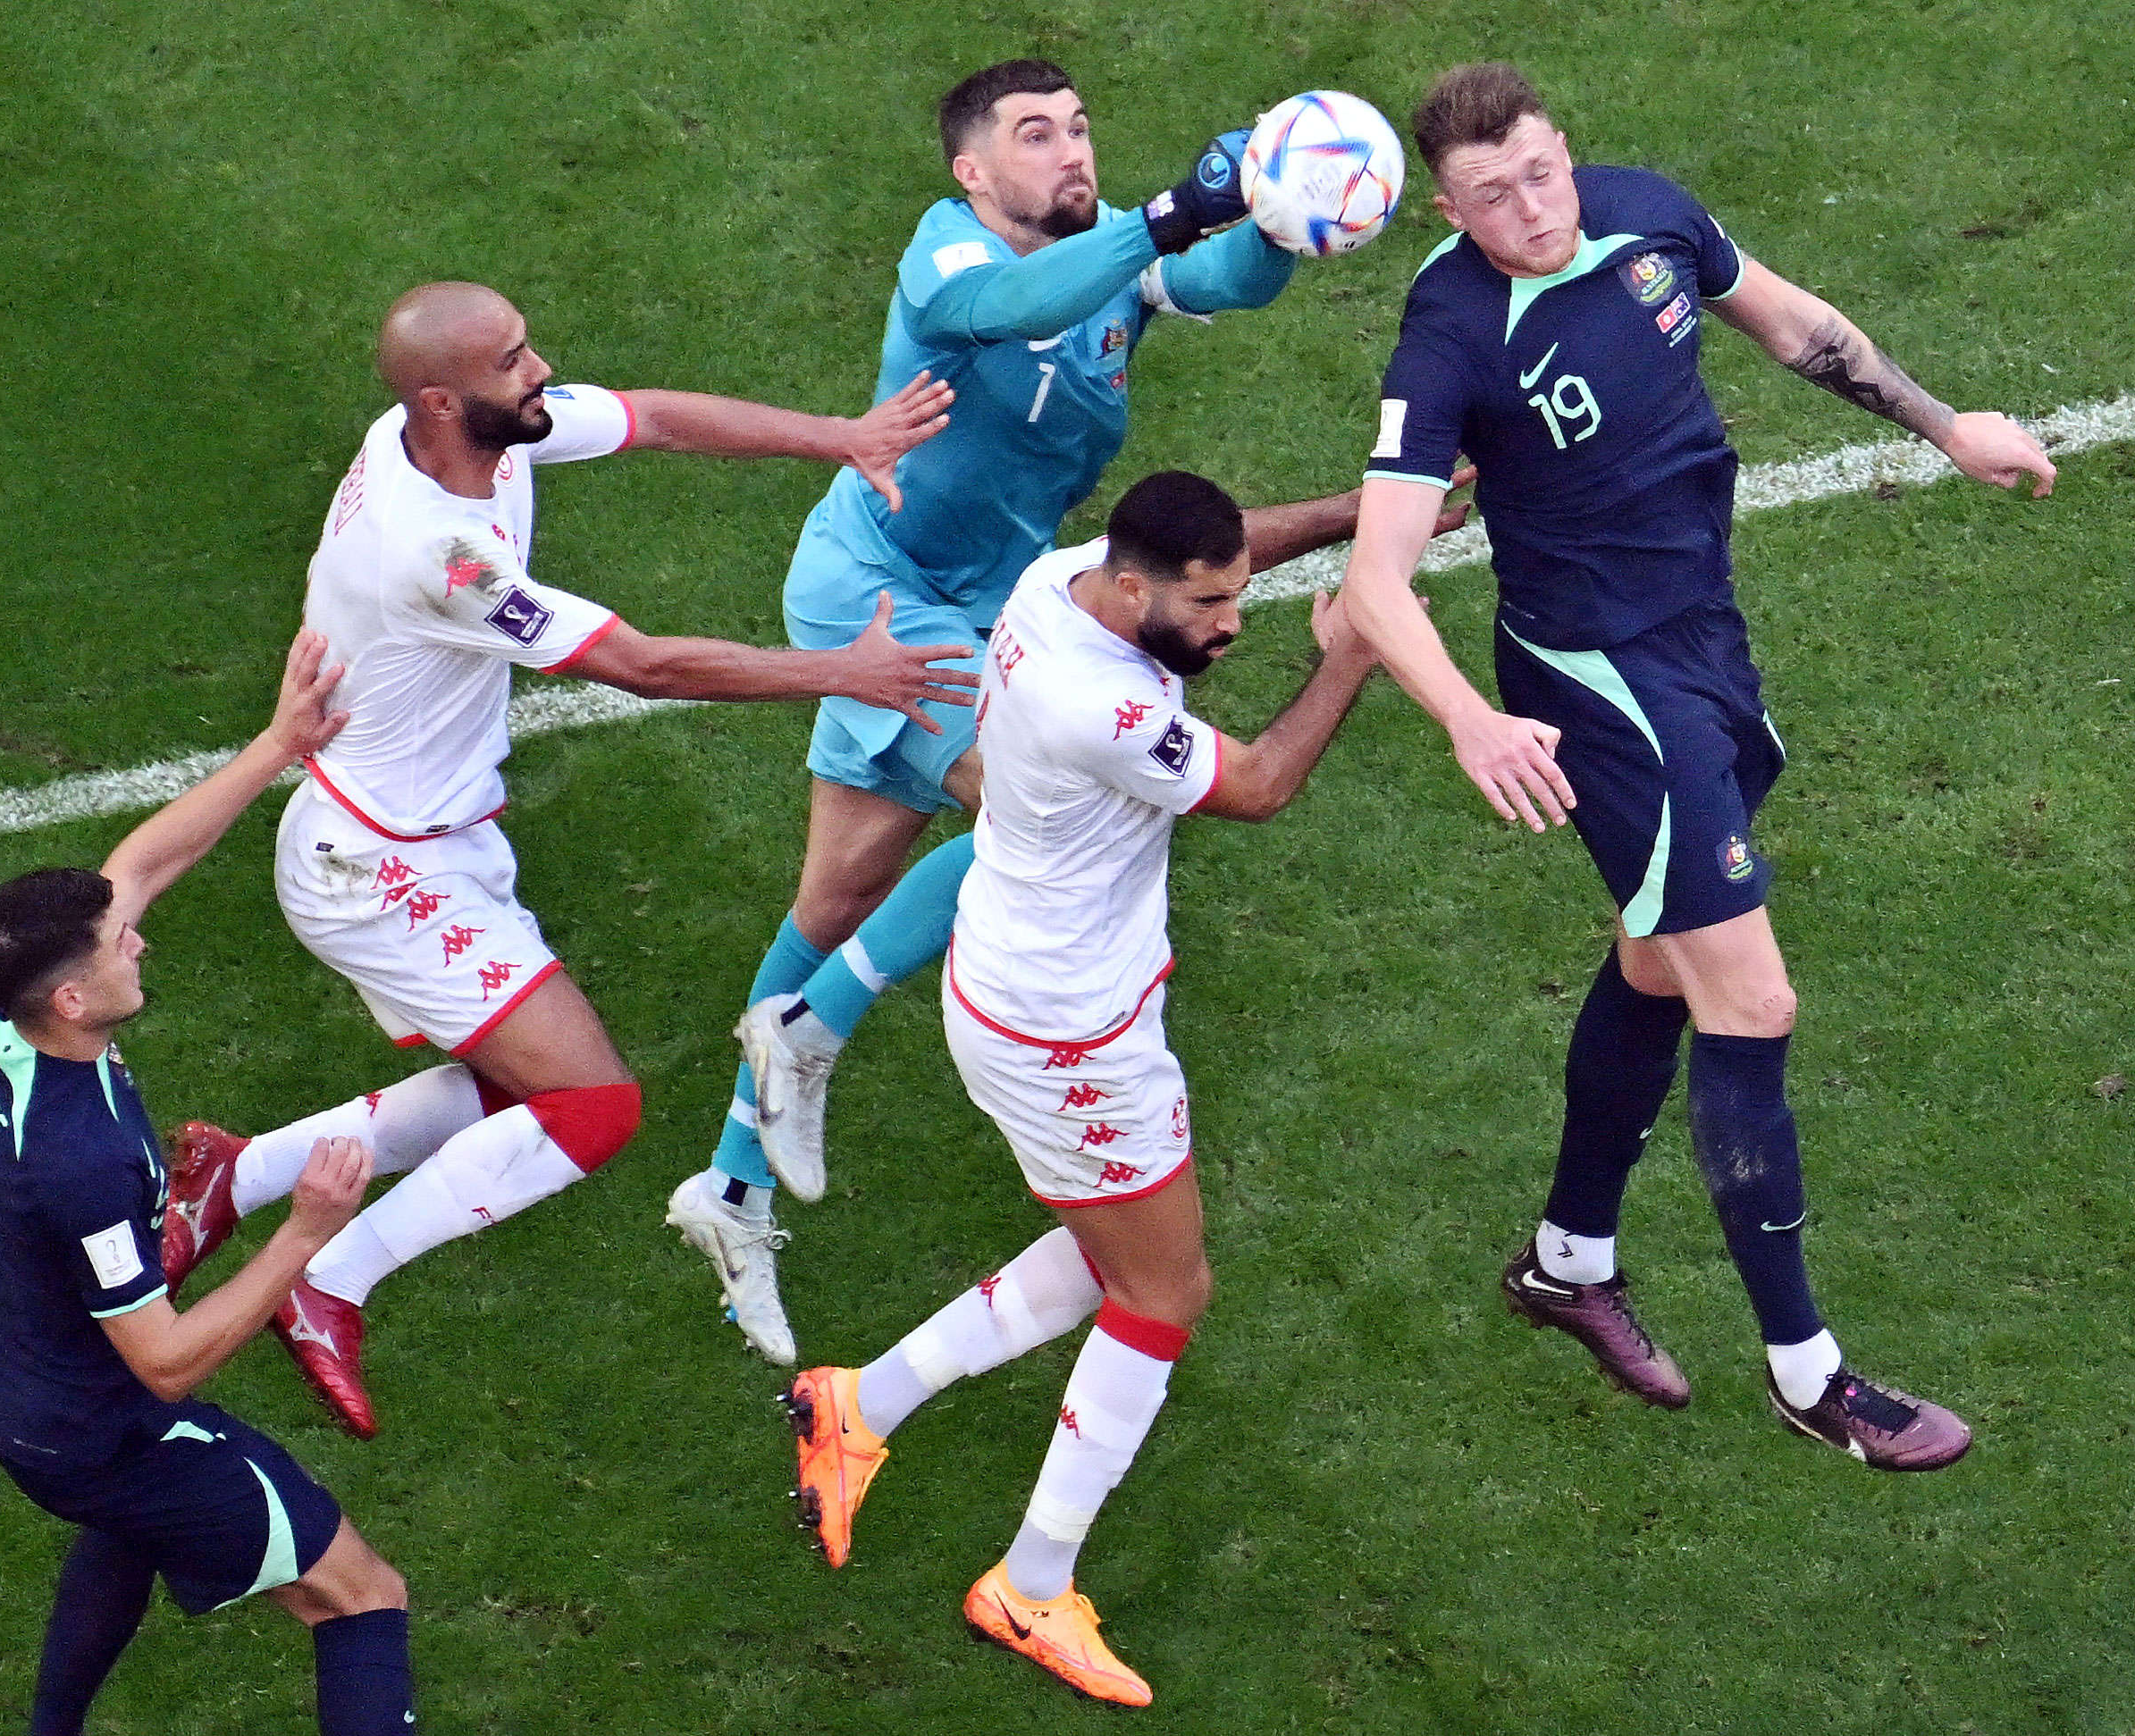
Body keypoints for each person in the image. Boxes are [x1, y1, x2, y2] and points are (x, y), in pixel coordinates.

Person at [1336, 63, 2055, 1469]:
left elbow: (1798, 327)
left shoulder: (1646, 217)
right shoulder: (1449, 334)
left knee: (1657, 958)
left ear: (1567, 150)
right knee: (1750, 989)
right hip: (1600, 679)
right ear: (1446, 205)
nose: (1531, 210)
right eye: (1492, 196)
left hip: (1700, 636)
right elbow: (1374, 580)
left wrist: (1945, 423)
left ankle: (1565, 1259)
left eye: (1542, 172)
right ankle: (1811, 1375)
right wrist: (1470, 723)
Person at [156, 280, 979, 1438]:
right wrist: (844, 671)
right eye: (513, 359)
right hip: (376, 867)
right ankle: (327, 1280)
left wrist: (838, 437)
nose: (541, 369)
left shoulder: (483, 430)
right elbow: (640, 664)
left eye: (532, 343)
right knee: (591, 1104)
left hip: (431, 838)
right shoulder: (436, 555)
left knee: (516, 1089)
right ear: (442, 399)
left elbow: (652, 415)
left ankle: (231, 1176)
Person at [674, 58, 1383, 1366]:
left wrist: (1279, 219)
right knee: (1019, 807)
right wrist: (1170, 214)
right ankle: (810, 1027)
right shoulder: (948, 264)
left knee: (834, 900)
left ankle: (727, 1189)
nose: (1070, 150)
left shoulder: (1112, 259)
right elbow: (1018, 302)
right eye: (1035, 135)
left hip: (986, 592)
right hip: (877, 597)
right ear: (972, 172)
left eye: (1080, 128)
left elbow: (1219, 279)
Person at [784, 472, 1390, 1706]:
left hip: (1034, 993)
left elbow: (1213, 553)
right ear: (1133, 589)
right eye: (1212, 603)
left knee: (1110, 1245)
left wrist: (1348, 519)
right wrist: (1358, 644)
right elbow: (1263, 781)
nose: (1233, 619)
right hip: (1067, 1034)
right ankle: (1029, 1581)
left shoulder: (1058, 580)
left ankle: (858, 1400)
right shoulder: (1096, 702)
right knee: (1164, 1289)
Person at [0, 632, 421, 1735]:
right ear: (70, 1000)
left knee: (125, 1523)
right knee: (360, 1594)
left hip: (1, 1369)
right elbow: (162, 1362)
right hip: (93, 1420)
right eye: (120, 945)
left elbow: (142, 861)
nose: (141, 942)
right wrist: (304, 1231)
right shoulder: (82, 1161)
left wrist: (277, 745)